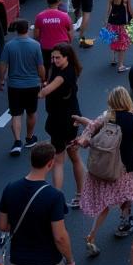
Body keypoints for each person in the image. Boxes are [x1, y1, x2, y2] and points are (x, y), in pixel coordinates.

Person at [74, 86, 133, 256]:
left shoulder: (107, 116)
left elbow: (90, 131)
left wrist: (81, 136)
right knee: (128, 195)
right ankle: (100, 232)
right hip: (124, 167)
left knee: (111, 200)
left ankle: (119, 224)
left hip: (104, 166)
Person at [39, 43, 85, 208]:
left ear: (67, 57)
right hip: (70, 119)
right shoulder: (67, 69)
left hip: (62, 121)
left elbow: (46, 91)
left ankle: (57, 199)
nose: (54, 60)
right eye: (53, 57)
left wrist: (39, 91)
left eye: (58, 57)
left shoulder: (64, 74)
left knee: (58, 160)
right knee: (74, 156)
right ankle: (81, 195)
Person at [0, 19, 45, 156]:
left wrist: (1, 80)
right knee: (31, 112)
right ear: (28, 30)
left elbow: (3, 65)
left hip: (14, 86)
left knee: (16, 114)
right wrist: (43, 80)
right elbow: (40, 66)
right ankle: (29, 138)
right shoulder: (36, 45)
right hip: (32, 85)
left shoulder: (9, 46)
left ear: (16, 30)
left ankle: (17, 142)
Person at [33, 0, 73, 72]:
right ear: (58, 1)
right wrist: (69, 43)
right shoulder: (65, 16)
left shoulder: (40, 16)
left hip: (46, 47)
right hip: (62, 47)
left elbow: (36, 35)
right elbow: (70, 33)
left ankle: (45, 82)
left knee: (46, 67)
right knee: (62, 68)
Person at [106, 0, 133, 73]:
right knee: (122, 43)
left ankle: (113, 59)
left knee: (113, 39)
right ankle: (121, 65)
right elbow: (130, 10)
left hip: (112, 21)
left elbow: (109, 8)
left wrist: (106, 20)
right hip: (122, 22)